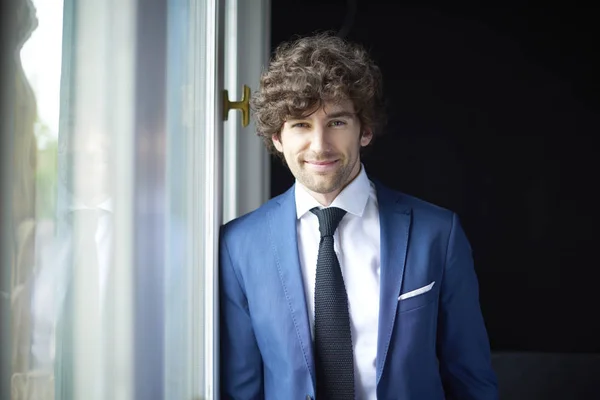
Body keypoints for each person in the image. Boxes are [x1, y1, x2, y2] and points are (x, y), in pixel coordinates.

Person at [219, 32, 498, 400]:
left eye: (336, 122)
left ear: (364, 130)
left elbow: (472, 381)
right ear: (277, 138)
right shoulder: (238, 246)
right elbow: (242, 389)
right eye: (300, 124)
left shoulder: (438, 234)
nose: (319, 145)